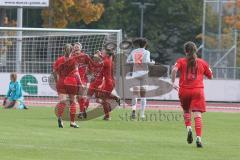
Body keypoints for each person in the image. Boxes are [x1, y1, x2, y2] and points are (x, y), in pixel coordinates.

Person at [171, 41, 213, 148]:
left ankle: (189, 128)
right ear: (195, 50)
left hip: (184, 91)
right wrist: (210, 70)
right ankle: (198, 138)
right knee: (197, 114)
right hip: (197, 91)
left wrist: (173, 82)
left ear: (185, 51)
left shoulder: (181, 61)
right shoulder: (202, 62)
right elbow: (210, 76)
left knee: (186, 111)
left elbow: (174, 69)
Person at [126, 38, 151, 119]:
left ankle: (133, 111)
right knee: (143, 95)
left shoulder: (134, 51)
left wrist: (134, 62)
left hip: (135, 73)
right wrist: (152, 62)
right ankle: (142, 114)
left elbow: (127, 61)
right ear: (145, 45)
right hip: (144, 73)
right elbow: (147, 61)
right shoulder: (147, 52)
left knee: (135, 94)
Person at [95, 48, 120, 120]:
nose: (102, 52)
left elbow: (98, 65)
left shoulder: (106, 61)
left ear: (107, 54)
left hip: (108, 83)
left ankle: (107, 116)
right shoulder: (109, 59)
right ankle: (115, 98)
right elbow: (103, 59)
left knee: (103, 99)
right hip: (109, 82)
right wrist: (99, 55)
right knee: (101, 97)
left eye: (103, 52)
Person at [53, 43, 72, 128]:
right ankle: (71, 120)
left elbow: (54, 72)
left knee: (62, 101)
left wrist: (57, 80)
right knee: (72, 101)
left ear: (63, 50)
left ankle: (60, 117)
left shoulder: (59, 59)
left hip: (61, 82)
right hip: (70, 82)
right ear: (72, 51)